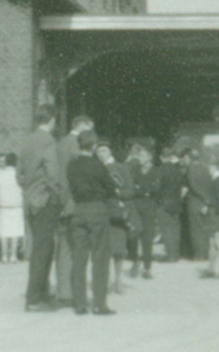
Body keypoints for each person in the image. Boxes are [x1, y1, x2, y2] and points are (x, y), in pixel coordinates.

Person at [18, 107, 68, 312]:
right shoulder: (48, 141)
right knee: (44, 249)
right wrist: (60, 195)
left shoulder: (28, 140)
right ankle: (34, 298)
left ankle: (41, 294)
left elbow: (19, 174)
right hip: (46, 200)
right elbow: (54, 172)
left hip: (31, 201)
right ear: (52, 119)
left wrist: (29, 191)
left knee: (40, 247)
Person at [66, 131, 117, 315]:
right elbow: (111, 189)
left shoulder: (71, 165)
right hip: (97, 210)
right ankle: (99, 303)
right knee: (100, 258)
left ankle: (79, 303)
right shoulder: (98, 165)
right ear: (94, 146)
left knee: (79, 258)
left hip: (78, 210)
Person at [53, 115, 95, 306]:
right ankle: (69, 293)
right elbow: (72, 176)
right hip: (73, 202)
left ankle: (64, 292)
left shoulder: (62, 143)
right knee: (72, 248)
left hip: (64, 200)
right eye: (90, 128)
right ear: (81, 126)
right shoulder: (74, 144)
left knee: (65, 248)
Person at [97, 142, 133, 294]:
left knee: (118, 249)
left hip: (116, 213)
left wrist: (117, 193)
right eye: (98, 151)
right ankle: (103, 283)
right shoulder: (95, 168)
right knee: (102, 250)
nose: (101, 154)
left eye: (104, 150)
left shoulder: (121, 168)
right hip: (101, 212)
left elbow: (130, 190)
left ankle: (118, 281)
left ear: (110, 151)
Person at [194, 159, 219, 279]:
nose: (208, 169)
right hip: (218, 213)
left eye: (210, 167)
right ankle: (211, 269)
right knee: (213, 242)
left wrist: (212, 209)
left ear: (215, 167)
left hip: (218, 214)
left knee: (217, 241)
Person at [128, 144, 160, 279]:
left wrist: (140, 189)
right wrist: (144, 190)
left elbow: (156, 190)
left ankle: (147, 267)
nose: (138, 158)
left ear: (149, 157)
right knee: (133, 236)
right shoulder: (134, 170)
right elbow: (131, 187)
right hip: (135, 207)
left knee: (147, 238)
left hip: (149, 208)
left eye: (141, 155)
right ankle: (135, 261)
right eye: (138, 155)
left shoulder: (157, 171)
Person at [153, 145, 186, 262]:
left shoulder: (159, 170)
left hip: (163, 204)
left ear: (162, 157)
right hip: (176, 203)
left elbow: (156, 188)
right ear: (171, 157)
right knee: (175, 230)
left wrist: (157, 199)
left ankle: (170, 256)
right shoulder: (178, 170)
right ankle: (175, 255)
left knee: (165, 230)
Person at [0, 152, 25, 263]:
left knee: (4, 231)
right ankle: (13, 255)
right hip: (17, 205)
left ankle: (4, 255)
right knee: (15, 231)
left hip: (3, 206)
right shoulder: (19, 176)